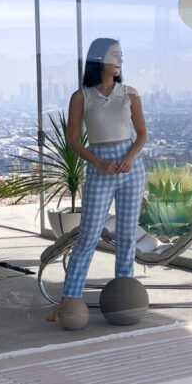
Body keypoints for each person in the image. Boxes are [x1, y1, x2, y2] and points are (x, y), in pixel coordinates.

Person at [47, 37, 147, 323]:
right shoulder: (82, 96)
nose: (121, 61)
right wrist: (99, 162)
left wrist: (129, 158)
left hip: (131, 169)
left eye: (121, 55)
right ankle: (67, 301)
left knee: (127, 238)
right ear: (100, 59)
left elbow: (141, 134)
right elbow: (74, 140)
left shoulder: (130, 94)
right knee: (88, 236)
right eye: (116, 55)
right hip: (99, 168)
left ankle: (124, 301)